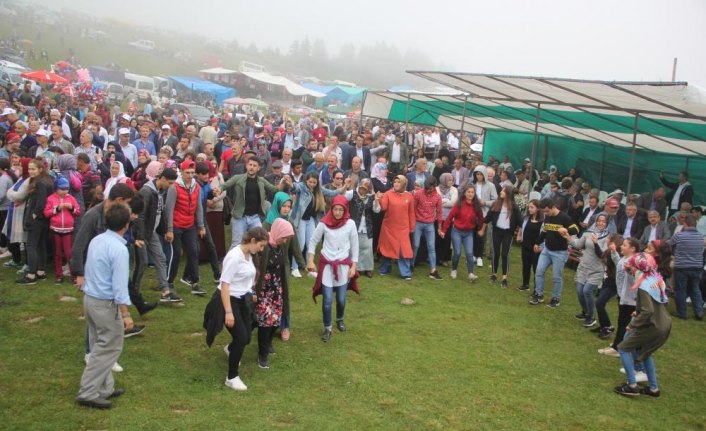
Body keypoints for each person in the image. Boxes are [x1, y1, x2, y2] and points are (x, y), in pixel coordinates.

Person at [75, 203, 133, 409]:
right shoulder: (119, 249)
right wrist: (125, 314)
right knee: (109, 347)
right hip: (104, 304)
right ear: (125, 225)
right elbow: (119, 287)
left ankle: (104, 387)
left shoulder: (97, 240)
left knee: (100, 344)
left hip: (90, 299)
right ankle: (88, 391)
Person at [207, 227, 268, 391]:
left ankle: (230, 349)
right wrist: (228, 312)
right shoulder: (234, 257)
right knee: (241, 338)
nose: (261, 250)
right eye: (261, 246)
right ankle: (231, 377)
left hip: (243, 299)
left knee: (246, 337)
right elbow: (225, 285)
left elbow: (247, 277)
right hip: (228, 300)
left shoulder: (249, 255)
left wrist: (251, 292)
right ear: (253, 241)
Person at [614, 252, 672, 398]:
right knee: (644, 353)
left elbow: (648, 310)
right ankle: (653, 389)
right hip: (663, 322)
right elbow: (660, 301)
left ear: (639, 267)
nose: (631, 268)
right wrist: (638, 312)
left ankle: (632, 386)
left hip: (652, 325)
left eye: (632, 265)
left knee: (623, 348)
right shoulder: (656, 277)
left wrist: (633, 324)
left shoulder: (644, 286)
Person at [307, 195, 359, 342]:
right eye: (335, 209)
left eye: (340, 210)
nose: (337, 212)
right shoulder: (324, 223)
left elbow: (355, 246)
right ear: (331, 209)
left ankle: (340, 318)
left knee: (341, 299)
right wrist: (310, 260)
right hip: (327, 266)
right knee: (328, 299)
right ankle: (327, 328)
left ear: (345, 210)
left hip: (343, 266)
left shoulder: (350, 224)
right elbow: (313, 241)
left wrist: (354, 266)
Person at [262, 191, 307, 341]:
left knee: (284, 296)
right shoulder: (267, 224)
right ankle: (267, 324)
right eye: (284, 206)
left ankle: (285, 326)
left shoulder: (289, 224)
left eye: (289, 206)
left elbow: (295, 247)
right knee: (269, 296)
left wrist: (303, 265)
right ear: (277, 205)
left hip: (284, 266)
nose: (287, 209)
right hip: (268, 266)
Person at [134, 167, 181, 304]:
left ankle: (166, 292)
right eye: (170, 183)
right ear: (163, 179)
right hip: (143, 234)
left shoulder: (162, 191)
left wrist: (165, 230)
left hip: (152, 232)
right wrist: (140, 237)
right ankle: (134, 293)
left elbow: (161, 212)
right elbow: (140, 216)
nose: (172, 186)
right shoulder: (146, 191)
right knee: (141, 263)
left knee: (161, 258)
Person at [218, 157, 288, 248]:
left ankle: (251, 262)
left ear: (258, 168)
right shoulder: (237, 178)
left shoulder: (261, 181)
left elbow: (275, 189)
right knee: (237, 244)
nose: (252, 167)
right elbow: (225, 185)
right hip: (239, 217)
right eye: (250, 165)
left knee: (258, 242)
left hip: (255, 218)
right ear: (246, 166)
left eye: (254, 166)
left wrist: (283, 182)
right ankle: (229, 262)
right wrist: (219, 189)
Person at [253, 218, 296, 368]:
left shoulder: (280, 247)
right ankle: (262, 354)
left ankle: (268, 342)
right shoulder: (264, 246)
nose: (284, 241)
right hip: (264, 290)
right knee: (265, 323)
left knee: (275, 321)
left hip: (277, 289)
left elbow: (283, 266)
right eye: (284, 237)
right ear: (278, 232)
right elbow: (256, 268)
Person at [165, 160, 207, 296]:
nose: (190, 175)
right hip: (176, 225)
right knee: (176, 253)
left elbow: (198, 207)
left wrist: (201, 226)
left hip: (189, 225)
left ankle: (195, 282)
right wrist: (169, 229)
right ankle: (169, 281)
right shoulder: (174, 187)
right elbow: (169, 209)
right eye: (187, 173)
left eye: (192, 173)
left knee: (194, 252)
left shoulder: (196, 187)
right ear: (181, 172)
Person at [529, 198, 580, 308]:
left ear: (553, 207)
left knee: (557, 277)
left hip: (560, 252)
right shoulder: (548, 217)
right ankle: (539, 294)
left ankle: (556, 298)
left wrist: (566, 230)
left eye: (547, 211)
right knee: (539, 271)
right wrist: (537, 243)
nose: (546, 214)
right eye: (544, 212)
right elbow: (544, 232)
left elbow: (576, 229)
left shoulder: (564, 217)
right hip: (547, 250)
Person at [564, 214, 610, 327]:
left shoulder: (608, 237)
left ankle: (591, 316)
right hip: (584, 267)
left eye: (604, 222)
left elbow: (603, 255)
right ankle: (585, 311)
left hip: (596, 270)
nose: (601, 223)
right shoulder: (588, 233)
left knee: (587, 291)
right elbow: (578, 245)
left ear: (607, 223)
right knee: (580, 291)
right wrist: (568, 237)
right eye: (599, 221)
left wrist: (595, 243)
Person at [16, 159, 53, 284]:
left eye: (33, 169)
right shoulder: (45, 180)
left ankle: (31, 274)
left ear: (40, 169)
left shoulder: (40, 183)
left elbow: (41, 201)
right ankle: (40, 272)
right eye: (30, 169)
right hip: (44, 220)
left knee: (31, 246)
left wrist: (34, 215)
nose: (31, 171)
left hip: (37, 219)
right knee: (40, 245)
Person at [439, 185, 484, 282]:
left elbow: (481, 218)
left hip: (469, 233)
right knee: (458, 253)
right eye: (468, 192)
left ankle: (471, 274)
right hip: (457, 232)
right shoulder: (459, 204)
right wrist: (443, 230)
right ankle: (454, 270)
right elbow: (450, 217)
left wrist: (481, 229)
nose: (470, 194)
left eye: (472, 192)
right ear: (464, 193)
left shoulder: (476, 206)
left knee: (469, 253)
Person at [375, 175, 415, 280]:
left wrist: (412, 226)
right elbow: (383, 207)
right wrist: (379, 199)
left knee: (404, 250)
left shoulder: (409, 196)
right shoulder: (388, 194)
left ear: (404, 184)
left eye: (399, 182)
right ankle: (385, 269)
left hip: (403, 228)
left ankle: (406, 272)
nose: (396, 184)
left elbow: (411, 212)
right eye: (395, 182)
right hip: (389, 227)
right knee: (387, 248)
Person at [665, 214, 705, 320]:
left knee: (680, 290)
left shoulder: (679, 235)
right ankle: (699, 312)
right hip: (697, 267)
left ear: (685, 224)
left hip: (682, 267)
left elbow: (668, 243)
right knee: (695, 289)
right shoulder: (701, 236)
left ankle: (682, 313)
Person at [482, 185, 522, 288]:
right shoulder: (496, 204)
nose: (501, 192)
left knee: (505, 254)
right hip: (496, 231)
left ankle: (504, 278)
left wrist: (519, 234)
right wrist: (482, 229)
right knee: (495, 253)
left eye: (503, 191)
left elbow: (520, 222)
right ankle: (494, 274)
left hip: (508, 233)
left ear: (508, 194)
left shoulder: (514, 207)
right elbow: (487, 218)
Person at [43, 176, 81, 284]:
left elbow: (78, 212)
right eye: (62, 189)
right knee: (57, 253)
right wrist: (57, 209)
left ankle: (73, 275)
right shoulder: (51, 198)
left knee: (69, 253)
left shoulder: (71, 198)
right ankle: (59, 275)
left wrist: (71, 208)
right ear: (56, 188)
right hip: (55, 230)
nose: (65, 191)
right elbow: (46, 213)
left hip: (68, 230)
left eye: (66, 189)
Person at [412, 176, 443, 280]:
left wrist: (439, 227)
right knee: (415, 245)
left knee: (431, 247)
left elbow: (439, 212)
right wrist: (412, 222)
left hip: (430, 224)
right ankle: (410, 265)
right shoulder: (418, 193)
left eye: (430, 188)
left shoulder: (438, 197)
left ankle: (433, 271)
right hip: (418, 222)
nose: (428, 190)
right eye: (427, 188)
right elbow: (413, 208)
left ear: (435, 186)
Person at [345, 178, 376, 278]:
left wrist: (377, 199)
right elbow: (343, 197)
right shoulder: (352, 193)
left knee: (367, 248)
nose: (365, 186)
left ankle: (367, 268)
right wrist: (346, 185)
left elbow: (377, 210)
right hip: (355, 224)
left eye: (367, 184)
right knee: (354, 247)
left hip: (367, 225)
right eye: (363, 184)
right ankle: (354, 268)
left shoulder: (371, 196)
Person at [517, 199, 543, 291]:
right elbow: (522, 227)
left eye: (532, 207)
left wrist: (541, 246)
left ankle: (537, 288)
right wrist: (519, 236)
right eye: (529, 207)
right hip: (526, 245)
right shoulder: (526, 218)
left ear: (538, 209)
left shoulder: (542, 222)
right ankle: (525, 284)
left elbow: (544, 235)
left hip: (536, 248)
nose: (530, 209)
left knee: (536, 268)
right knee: (525, 265)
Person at [436, 173, 457, 268]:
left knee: (447, 238)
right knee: (437, 238)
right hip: (437, 218)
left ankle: (444, 259)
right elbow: (436, 202)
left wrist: (442, 201)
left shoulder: (454, 190)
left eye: (452, 180)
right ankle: (436, 258)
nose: (451, 182)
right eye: (449, 180)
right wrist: (446, 201)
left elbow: (453, 203)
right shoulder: (436, 189)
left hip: (449, 219)